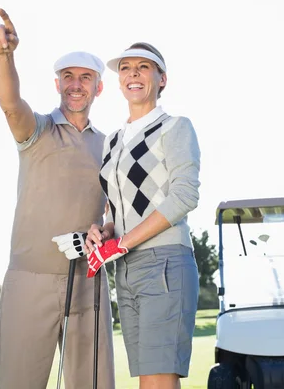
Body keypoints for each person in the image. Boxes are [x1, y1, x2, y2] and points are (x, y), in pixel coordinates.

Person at [0, 8, 115, 389]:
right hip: (30, 281)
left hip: (89, 281)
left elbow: (118, 216)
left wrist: (107, 232)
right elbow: (11, 104)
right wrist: (4, 55)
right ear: (57, 85)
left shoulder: (110, 147)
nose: (76, 85)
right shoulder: (37, 129)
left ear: (98, 88)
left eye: (85, 78)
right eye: (68, 78)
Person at [83, 42, 201, 389]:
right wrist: (106, 231)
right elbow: (117, 205)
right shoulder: (113, 140)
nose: (133, 73)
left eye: (144, 67)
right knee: (148, 379)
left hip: (165, 263)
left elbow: (184, 196)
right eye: (125, 68)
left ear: (161, 79)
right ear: (119, 81)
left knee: (157, 379)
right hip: (126, 269)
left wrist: (123, 243)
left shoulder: (175, 127)